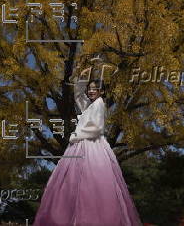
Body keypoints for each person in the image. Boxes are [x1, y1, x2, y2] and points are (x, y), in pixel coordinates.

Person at [32, 77, 142, 226]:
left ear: (101, 91)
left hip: (91, 145)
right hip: (81, 144)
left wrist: (76, 136)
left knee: (90, 184)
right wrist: (81, 80)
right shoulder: (91, 105)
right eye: (89, 88)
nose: (90, 91)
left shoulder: (99, 104)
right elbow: (79, 98)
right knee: (73, 183)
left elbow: (96, 129)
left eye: (94, 89)